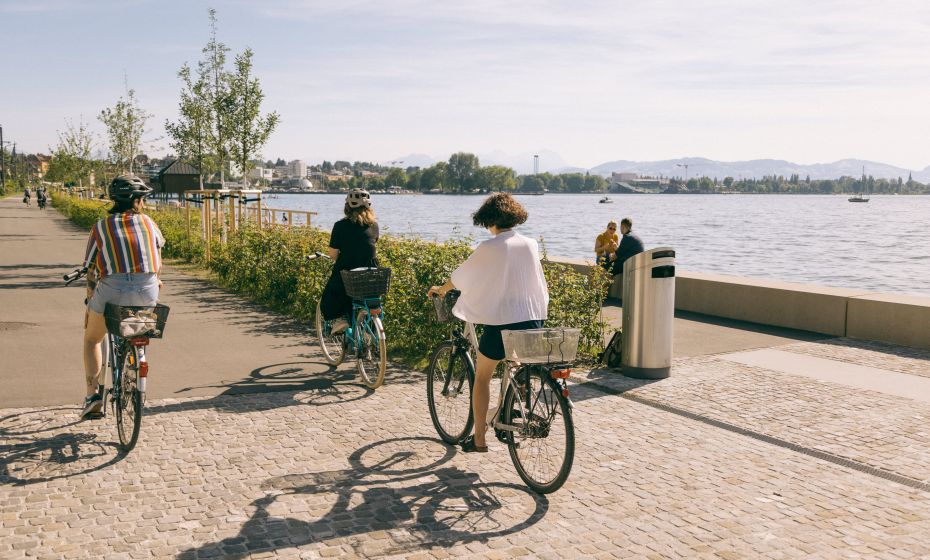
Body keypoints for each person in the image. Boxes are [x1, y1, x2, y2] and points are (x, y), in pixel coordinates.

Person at [428, 193, 548, 453]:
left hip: (502, 322)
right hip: (533, 317)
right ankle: (510, 403)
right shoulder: (529, 243)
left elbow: (461, 277)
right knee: (515, 363)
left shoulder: (489, 247)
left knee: (482, 377)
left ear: (489, 220)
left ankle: (479, 439)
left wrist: (441, 288)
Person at [80, 174, 164, 419]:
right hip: (147, 288)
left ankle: (92, 396)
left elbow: (91, 267)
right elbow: (158, 257)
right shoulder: (149, 223)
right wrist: (155, 279)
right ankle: (137, 365)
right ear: (138, 201)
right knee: (139, 327)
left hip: (111, 289)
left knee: (92, 338)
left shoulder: (101, 226)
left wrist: (90, 295)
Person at [320, 189, 379, 334]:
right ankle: (368, 331)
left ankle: (341, 319)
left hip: (348, 271)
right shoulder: (374, 226)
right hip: (371, 274)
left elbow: (333, 254)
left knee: (332, 294)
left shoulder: (340, 226)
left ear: (347, 207)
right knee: (365, 298)